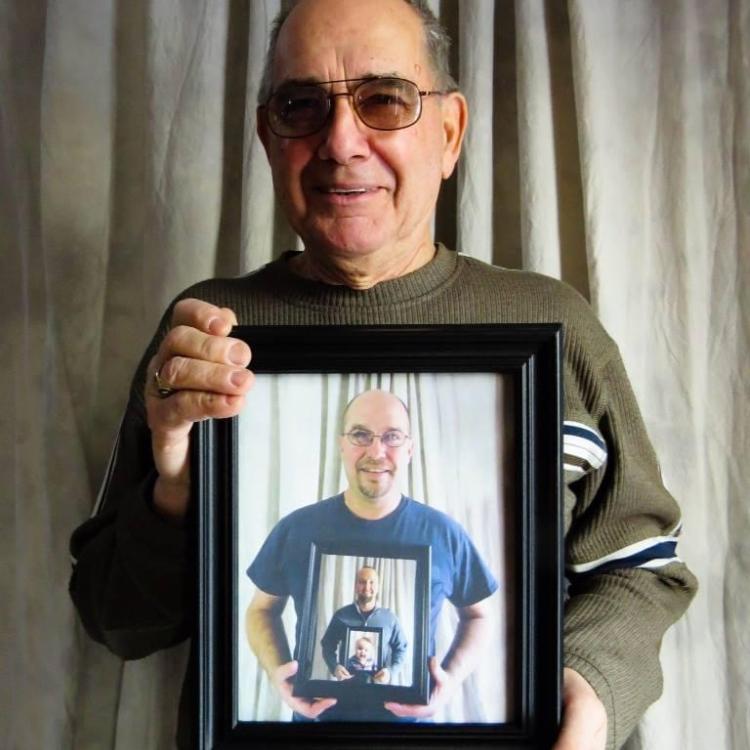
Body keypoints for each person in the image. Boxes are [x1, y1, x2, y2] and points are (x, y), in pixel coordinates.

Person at [67, 1, 697, 748]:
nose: (341, 142)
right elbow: (119, 622)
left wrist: (588, 691)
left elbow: (640, 568)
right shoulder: (208, 337)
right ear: (270, 137)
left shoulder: (554, 330)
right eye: (303, 105)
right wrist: (175, 484)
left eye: (384, 100)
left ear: (450, 131)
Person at [247, 389, 497, 721]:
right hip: (314, 736)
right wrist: (281, 673)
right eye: (361, 435)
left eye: (392, 437)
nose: (376, 451)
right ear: (342, 444)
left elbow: (479, 617)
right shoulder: (296, 529)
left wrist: (449, 681)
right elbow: (261, 611)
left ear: (409, 449)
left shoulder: (445, 534)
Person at [320, 566, 408, 685]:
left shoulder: (390, 618)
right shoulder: (341, 616)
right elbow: (327, 645)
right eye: (362, 582)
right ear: (356, 586)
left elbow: (401, 648)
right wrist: (335, 667)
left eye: (372, 582)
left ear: (377, 587)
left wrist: (391, 672)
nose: (367, 587)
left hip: (379, 689)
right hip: (346, 687)